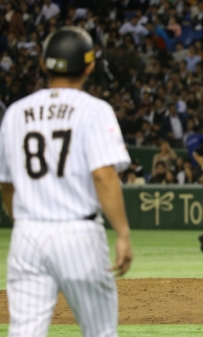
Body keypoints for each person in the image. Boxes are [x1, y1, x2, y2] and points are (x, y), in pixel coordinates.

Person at [0, 26, 133, 336]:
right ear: (89, 66)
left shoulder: (16, 113)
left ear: (44, 64)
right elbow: (103, 175)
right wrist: (123, 233)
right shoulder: (95, 110)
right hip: (78, 233)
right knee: (99, 330)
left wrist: (24, 222)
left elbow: (6, 184)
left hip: (28, 236)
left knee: (24, 331)